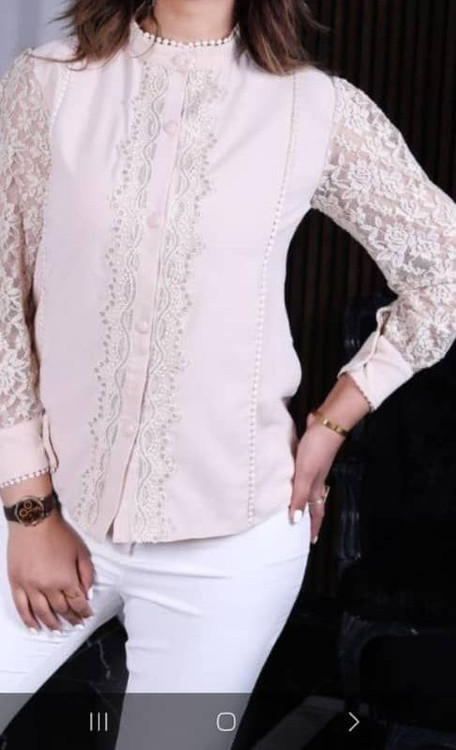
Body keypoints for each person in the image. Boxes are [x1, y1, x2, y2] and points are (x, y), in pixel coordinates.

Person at [0, 0, 455, 747]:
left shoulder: (315, 109)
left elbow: (446, 267)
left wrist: (334, 420)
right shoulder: (47, 83)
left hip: (230, 549)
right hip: (45, 510)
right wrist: (28, 510)